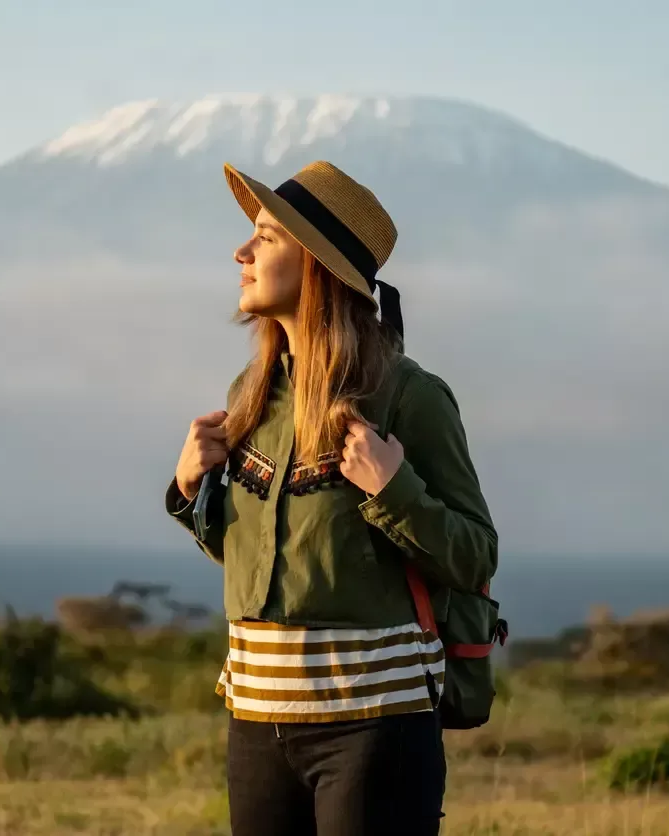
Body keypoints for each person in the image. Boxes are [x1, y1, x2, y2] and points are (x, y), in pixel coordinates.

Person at [165, 160, 498, 836]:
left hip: (374, 730)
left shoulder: (410, 398)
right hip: (257, 722)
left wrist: (394, 489)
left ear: (316, 264)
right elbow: (266, 565)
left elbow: (475, 555)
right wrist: (189, 491)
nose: (242, 252)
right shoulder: (250, 394)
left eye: (265, 237)